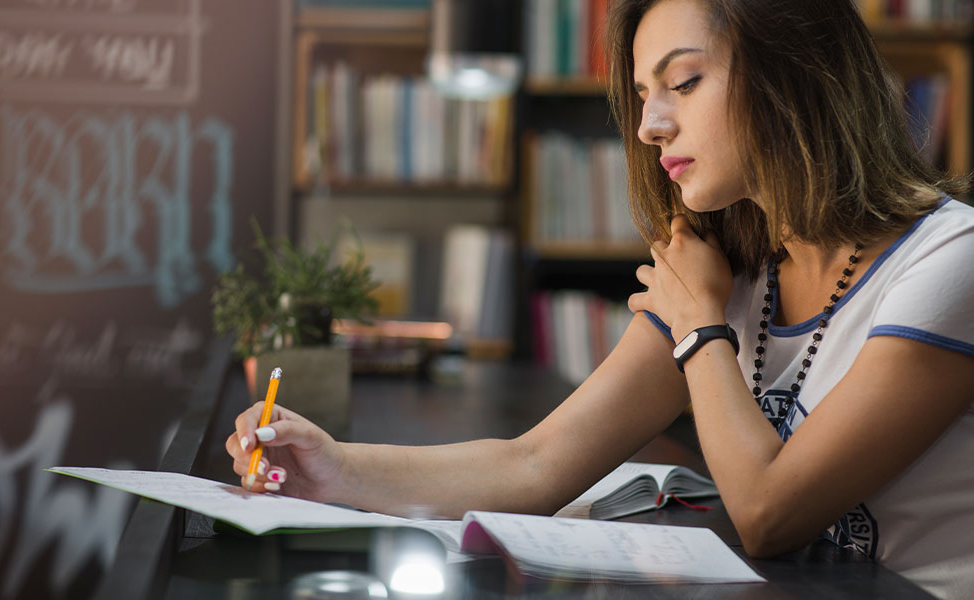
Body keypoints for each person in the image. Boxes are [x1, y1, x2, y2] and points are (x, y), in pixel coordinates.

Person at [227, 1, 974, 597]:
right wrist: (336, 470)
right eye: (645, 95)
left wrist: (700, 328)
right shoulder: (722, 271)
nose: (651, 126)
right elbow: (537, 463)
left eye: (683, 83)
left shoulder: (949, 260)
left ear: (798, 76)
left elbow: (770, 512)